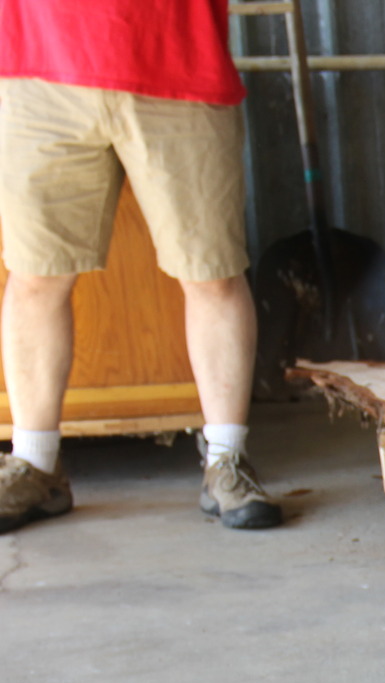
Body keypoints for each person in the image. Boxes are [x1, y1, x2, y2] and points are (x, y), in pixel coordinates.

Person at [0, 0, 281, 534]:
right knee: (36, 275)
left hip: (178, 63)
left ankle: (227, 460)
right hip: (40, 68)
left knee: (213, 273)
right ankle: (35, 464)